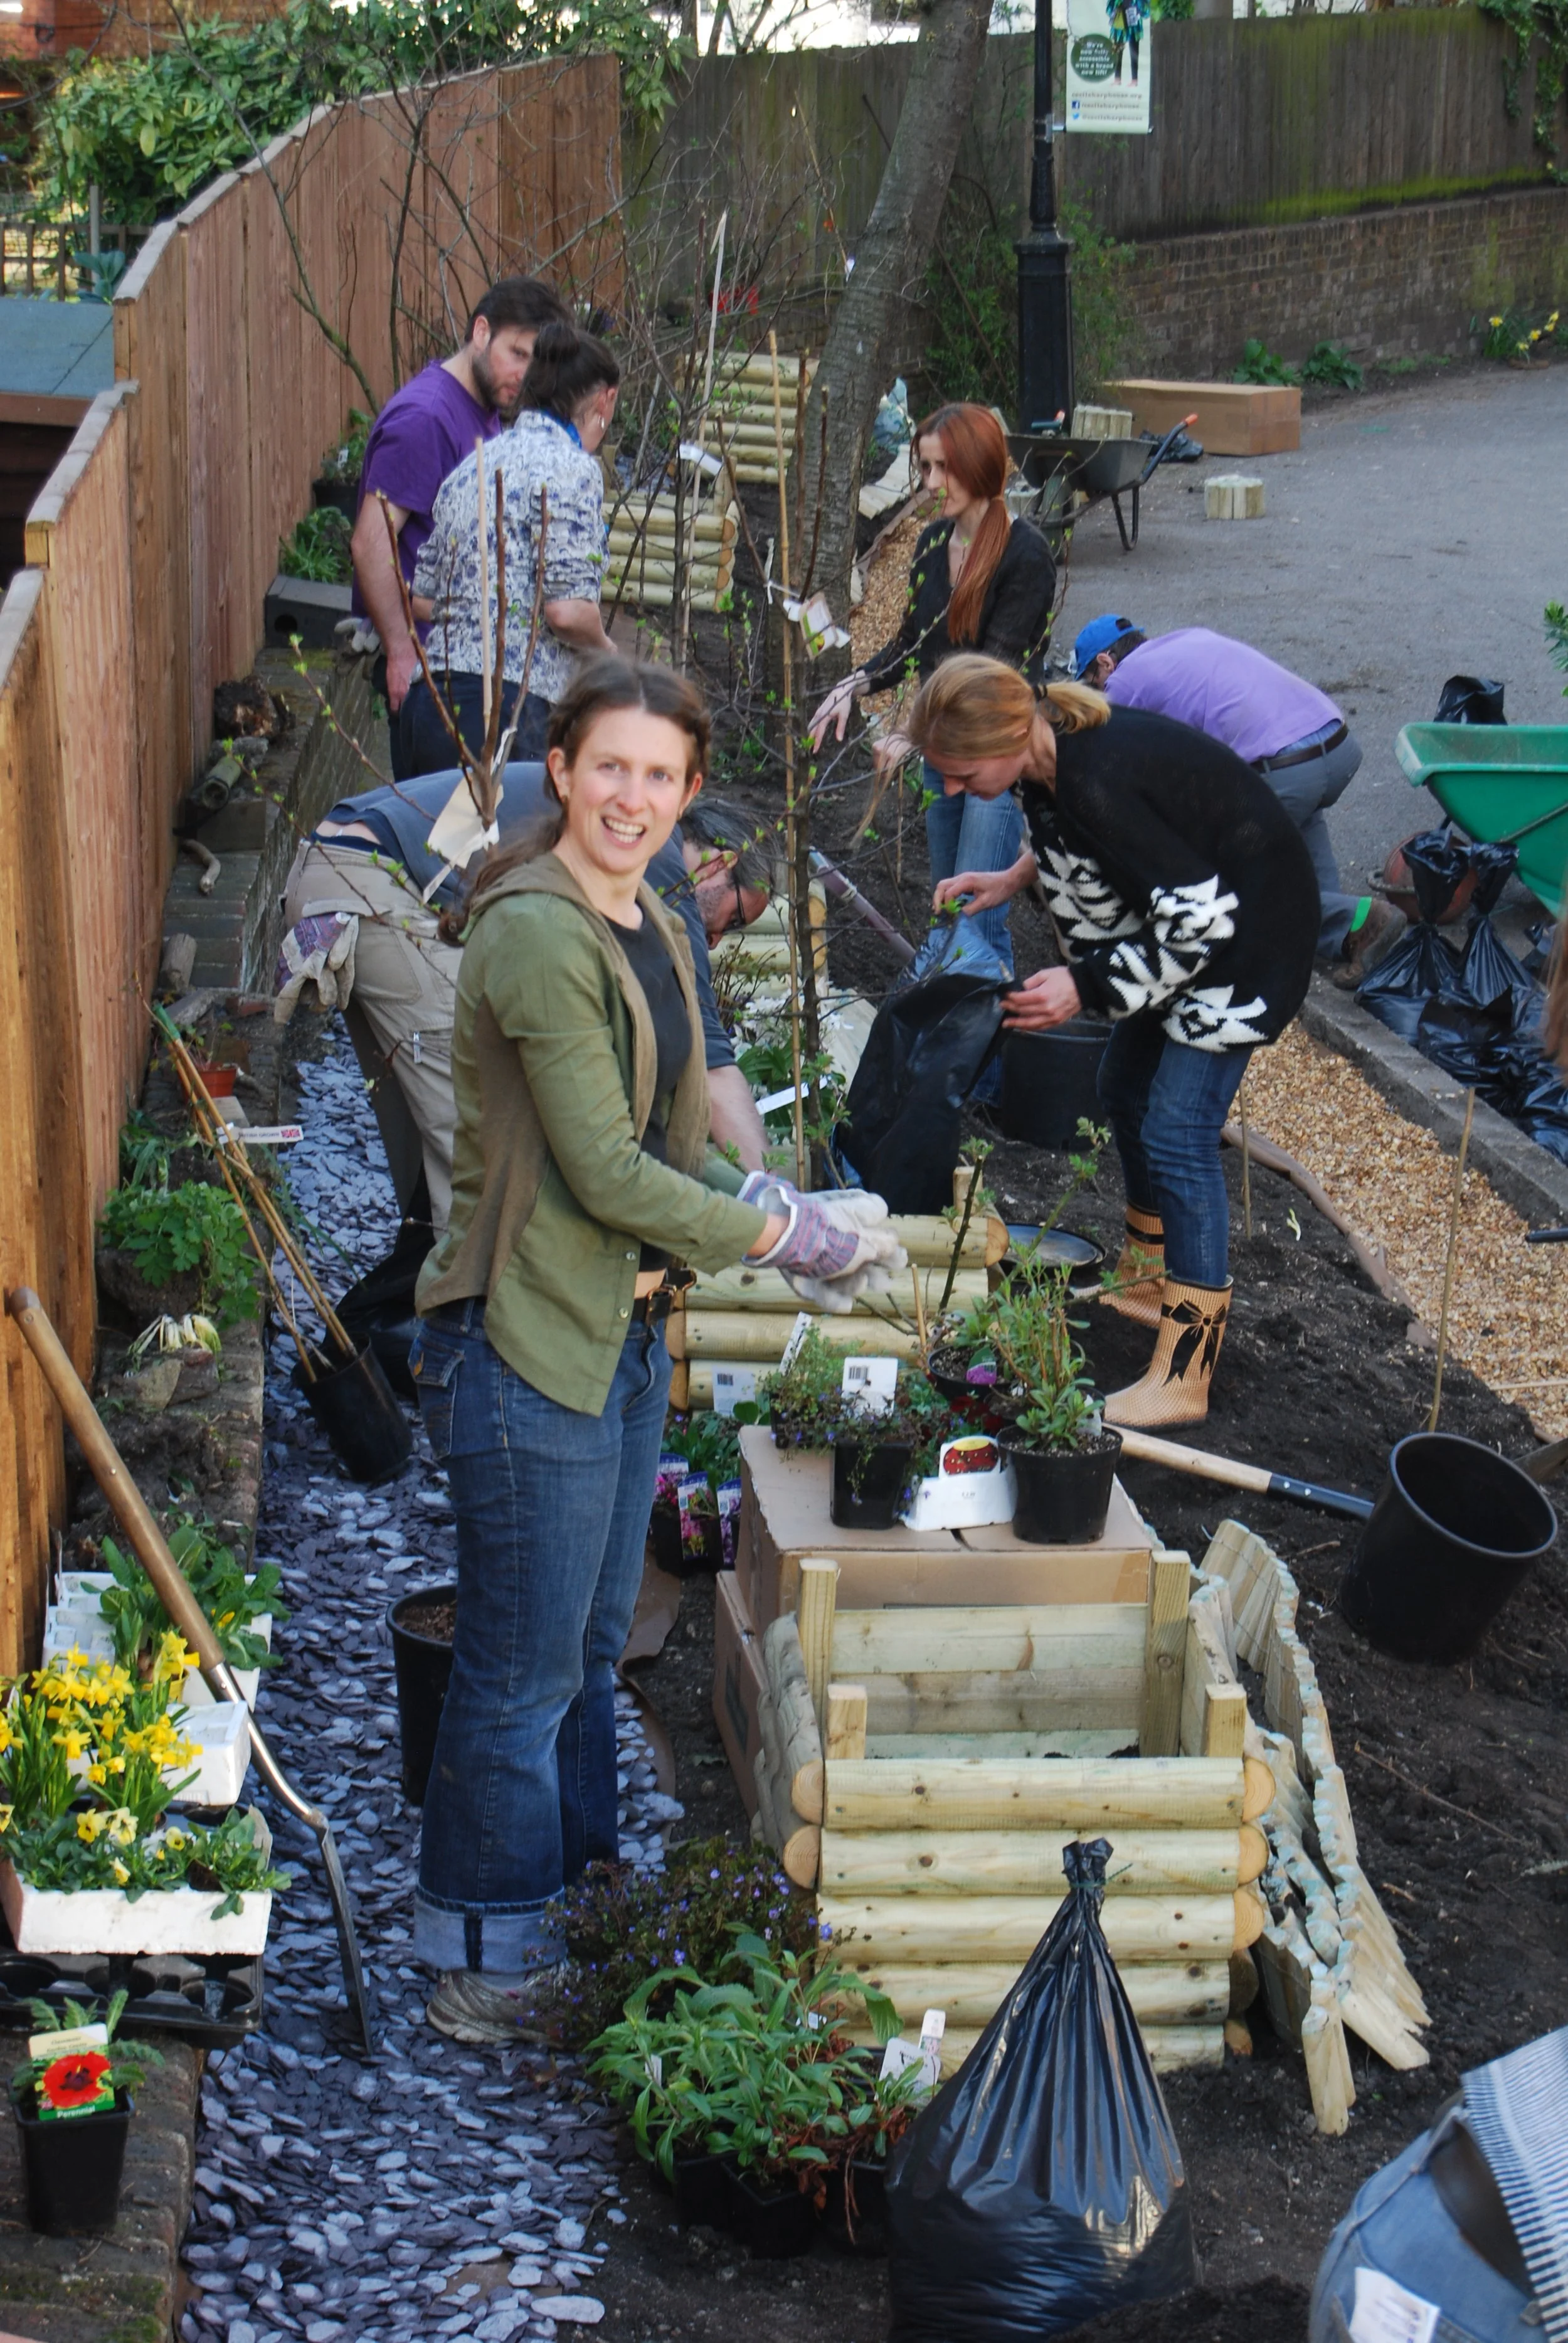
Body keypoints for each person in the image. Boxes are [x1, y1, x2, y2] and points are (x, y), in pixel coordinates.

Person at [405, 656, 904, 2043]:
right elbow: (608, 1174)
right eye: (609, 767)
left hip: (620, 1334)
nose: (632, 797)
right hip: (525, 1337)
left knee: (580, 1644)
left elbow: (678, 1129)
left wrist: (777, 1193)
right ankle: (485, 1965)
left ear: (686, 797)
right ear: (559, 769)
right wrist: (789, 1243)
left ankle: (579, 1904)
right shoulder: (531, 931)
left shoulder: (651, 920)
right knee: (517, 1664)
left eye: (660, 777)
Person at [913, 654, 1318, 1429]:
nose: (955, 791)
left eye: (961, 774)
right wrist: (1009, 878)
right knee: (1122, 1092)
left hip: (1245, 946)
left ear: (1005, 736)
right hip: (1186, 934)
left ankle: (1185, 1370)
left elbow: (1202, 918)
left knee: (1177, 1130)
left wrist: (1086, 985)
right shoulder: (1047, 759)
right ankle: (1147, 1277)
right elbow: (1086, 843)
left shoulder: (1099, 774)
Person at [275, 772, 780, 1232]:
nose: (715, 942)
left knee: (438, 1122)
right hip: (366, 878)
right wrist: (779, 1207)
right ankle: (473, 1314)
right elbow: (707, 1055)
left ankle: (418, 1290)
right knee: (488, 1133)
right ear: (720, 863)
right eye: (734, 920)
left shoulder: (620, 833)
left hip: (356, 867)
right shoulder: (657, 855)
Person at [808, 403, 1056, 979]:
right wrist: (855, 681)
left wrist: (910, 733)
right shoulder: (931, 544)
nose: (929, 484)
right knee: (948, 909)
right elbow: (911, 643)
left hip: (995, 759)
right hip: (942, 753)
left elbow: (991, 674)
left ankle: (986, 1052)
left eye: (943, 468)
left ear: (979, 466)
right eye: (924, 468)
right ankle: (952, 1029)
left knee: (977, 923)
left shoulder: (1027, 555)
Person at [1072, 616, 1404, 990]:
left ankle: (1359, 921)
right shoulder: (1185, 641)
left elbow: (1103, 761)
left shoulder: (1124, 681)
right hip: (1335, 747)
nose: (1096, 692)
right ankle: (1350, 939)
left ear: (1105, 663)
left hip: (1286, 770)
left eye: (1090, 683)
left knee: (1226, 887)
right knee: (1303, 849)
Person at [349, 277, 568, 782]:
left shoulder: (480, 410)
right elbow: (370, 541)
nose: (523, 374)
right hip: (433, 673)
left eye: (535, 364)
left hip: (462, 671)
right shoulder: (427, 418)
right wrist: (403, 652)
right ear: (481, 330)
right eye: (517, 353)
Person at [408, 321, 620, 774]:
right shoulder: (574, 469)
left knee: (430, 846)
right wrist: (607, 653)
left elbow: (422, 599)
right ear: (606, 400)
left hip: (430, 704)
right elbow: (565, 612)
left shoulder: (472, 466)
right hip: (509, 715)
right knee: (509, 847)